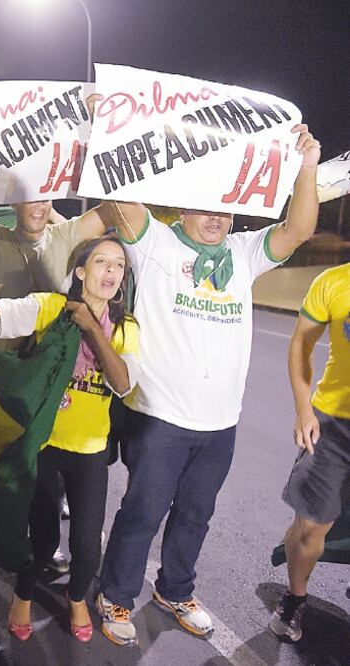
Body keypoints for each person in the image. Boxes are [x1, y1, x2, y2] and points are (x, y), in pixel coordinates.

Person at [92, 123, 321, 647]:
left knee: (197, 514)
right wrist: (107, 130)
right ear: (183, 210)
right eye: (204, 208)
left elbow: (299, 229)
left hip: (221, 423)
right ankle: (117, 596)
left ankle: (176, 589)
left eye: (224, 210)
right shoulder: (153, 242)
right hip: (161, 417)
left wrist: (306, 166)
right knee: (143, 512)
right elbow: (117, 197)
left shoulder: (245, 251)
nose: (216, 218)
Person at [0, 235, 138, 642]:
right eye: (101, 262)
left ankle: (78, 598)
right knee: (44, 535)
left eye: (119, 265)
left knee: (86, 546)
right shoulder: (53, 308)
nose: (111, 271)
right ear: (81, 272)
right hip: (44, 446)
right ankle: (24, 594)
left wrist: (92, 328)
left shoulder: (126, 328)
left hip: (89, 450)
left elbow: (121, 383)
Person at [0, 126, 108, 582]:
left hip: (48, 375)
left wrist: (105, 135)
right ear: (13, 204)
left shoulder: (68, 235)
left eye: (46, 198)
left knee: (36, 469)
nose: (40, 206)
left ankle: (36, 546)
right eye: (30, 198)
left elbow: (114, 209)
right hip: (1, 373)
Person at [270, 260, 350, 642]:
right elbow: (302, 342)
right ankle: (294, 599)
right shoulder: (334, 282)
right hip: (334, 423)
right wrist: (304, 410)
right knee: (311, 524)